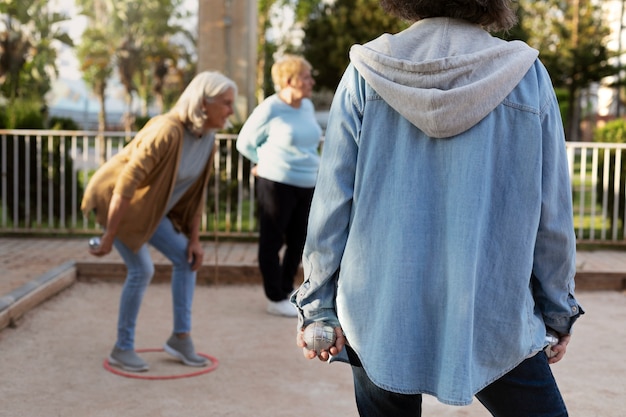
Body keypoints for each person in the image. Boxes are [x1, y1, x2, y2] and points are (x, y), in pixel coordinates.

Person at [291, 1, 584, 416]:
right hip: (492, 311)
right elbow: (552, 213)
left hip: (379, 308)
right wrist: (557, 311)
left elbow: (331, 203)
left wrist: (317, 306)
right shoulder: (527, 75)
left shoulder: (365, 71)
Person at [81, 71, 237, 372]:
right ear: (204, 103)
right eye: (227, 103)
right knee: (142, 269)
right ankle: (121, 348)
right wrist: (109, 237)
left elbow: (196, 195)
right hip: (117, 202)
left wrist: (194, 240)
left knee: (186, 258)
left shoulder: (208, 139)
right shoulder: (167, 130)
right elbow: (127, 182)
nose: (232, 110)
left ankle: (180, 338)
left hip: (150, 210)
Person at [236, 55, 322, 317]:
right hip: (276, 182)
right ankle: (275, 297)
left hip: (307, 182)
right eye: (306, 77)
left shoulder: (306, 107)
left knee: (299, 241)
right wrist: (262, 161)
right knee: (272, 241)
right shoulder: (270, 108)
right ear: (289, 81)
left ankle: (286, 291)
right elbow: (244, 142)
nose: (311, 81)